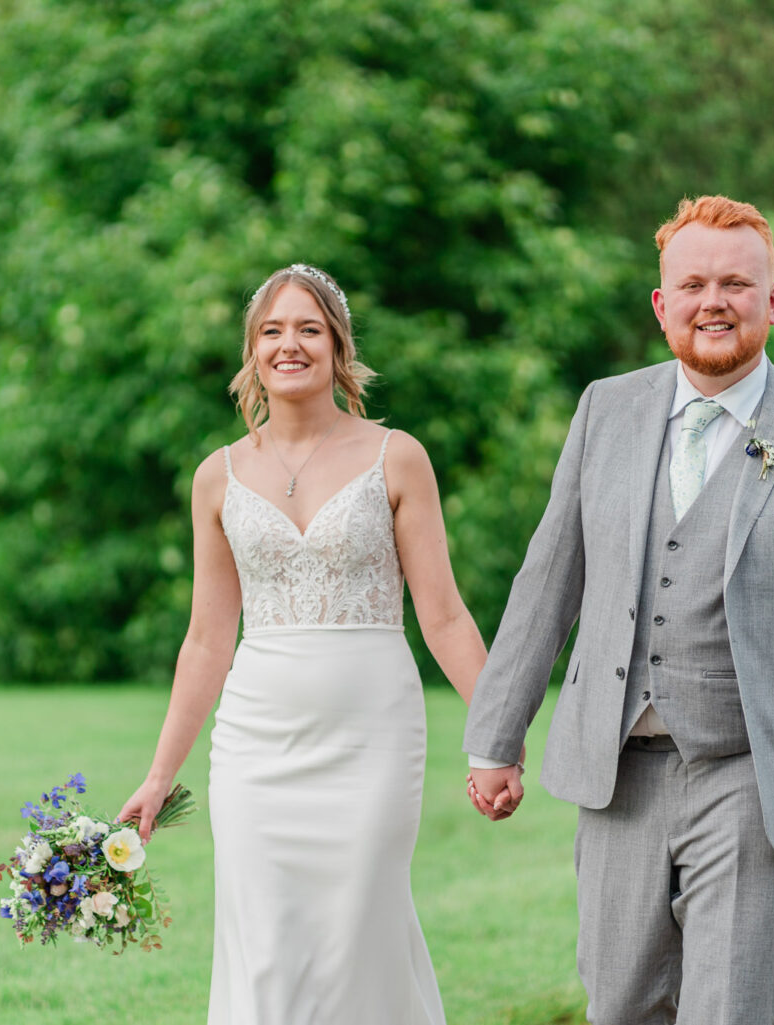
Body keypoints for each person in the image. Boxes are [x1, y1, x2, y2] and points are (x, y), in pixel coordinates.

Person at [463, 196, 774, 1025]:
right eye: (694, 283)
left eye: (737, 284)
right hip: (619, 772)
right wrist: (495, 735)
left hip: (753, 774)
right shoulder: (606, 409)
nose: (715, 301)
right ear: (663, 304)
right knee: (620, 1005)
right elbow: (547, 583)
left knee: (730, 1010)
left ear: (772, 301)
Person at [119, 264, 488, 1024]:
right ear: (252, 352)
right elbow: (206, 639)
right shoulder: (216, 478)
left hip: (373, 739)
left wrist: (496, 734)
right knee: (267, 944)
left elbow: (444, 615)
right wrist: (160, 776)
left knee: (363, 934)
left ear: (338, 349)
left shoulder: (397, 456)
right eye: (272, 331)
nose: (291, 344)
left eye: (309, 329)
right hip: (256, 750)